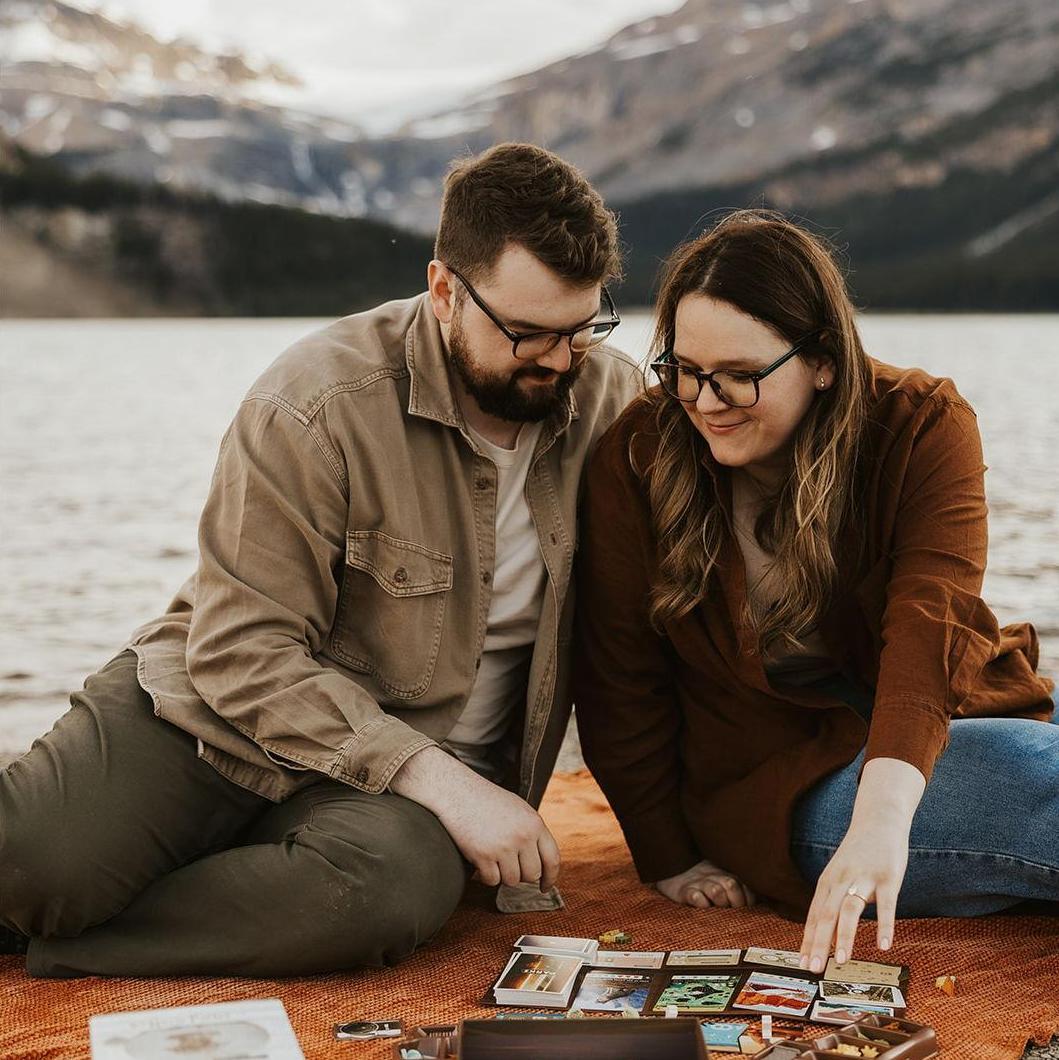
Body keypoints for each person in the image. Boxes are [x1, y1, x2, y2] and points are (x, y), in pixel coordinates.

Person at [0, 142, 639, 977]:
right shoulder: (315, 401)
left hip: (385, 795)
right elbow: (240, 650)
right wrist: (448, 789)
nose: (557, 361)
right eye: (525, 334)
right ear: (444, 289)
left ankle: (62, 947)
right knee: (38, 865)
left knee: (383, 893)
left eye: (581, 330)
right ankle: (74, 897)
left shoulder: (616, 407)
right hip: (211, 717)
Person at [572, 209, 1057, 976]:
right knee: (1037, 780)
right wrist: (665, 856)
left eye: (738, 375)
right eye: (683, 370)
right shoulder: (638, 453)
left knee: (1026, 760)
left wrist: (882, 818)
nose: (703, 401)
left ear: (823, 360)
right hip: (782, 784)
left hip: (935, 734)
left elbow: (930, 624)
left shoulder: (921, 426)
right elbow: (615, 676)